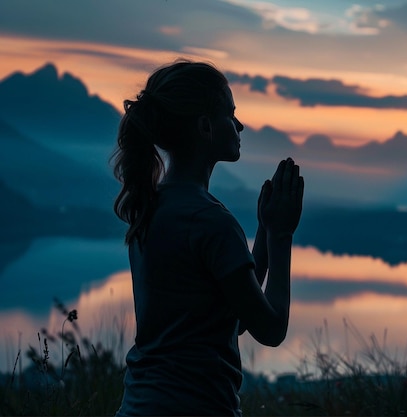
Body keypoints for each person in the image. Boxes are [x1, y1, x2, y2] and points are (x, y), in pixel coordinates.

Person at [111, 60, 304, 416]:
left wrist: (263, 229)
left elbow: (234, 316)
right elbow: (271, 328)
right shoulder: (211, 221)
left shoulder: (152, 208)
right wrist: (281, 235)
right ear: (205, 127)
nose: (240, 125)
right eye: (230, 114)